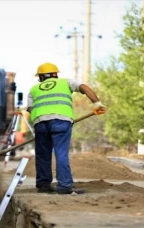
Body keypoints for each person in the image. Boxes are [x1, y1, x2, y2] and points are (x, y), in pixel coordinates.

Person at [26, 62, 106, 195]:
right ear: (55, 74)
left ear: (40, 77)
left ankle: (43, 185)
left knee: (42, 155)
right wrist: (97, 103)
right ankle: (64, 186)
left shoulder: (33, 89)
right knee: (61, 153)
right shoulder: (65, 82)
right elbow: (84, 87)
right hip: (61, 121)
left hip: (40, 122)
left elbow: (30, 109)